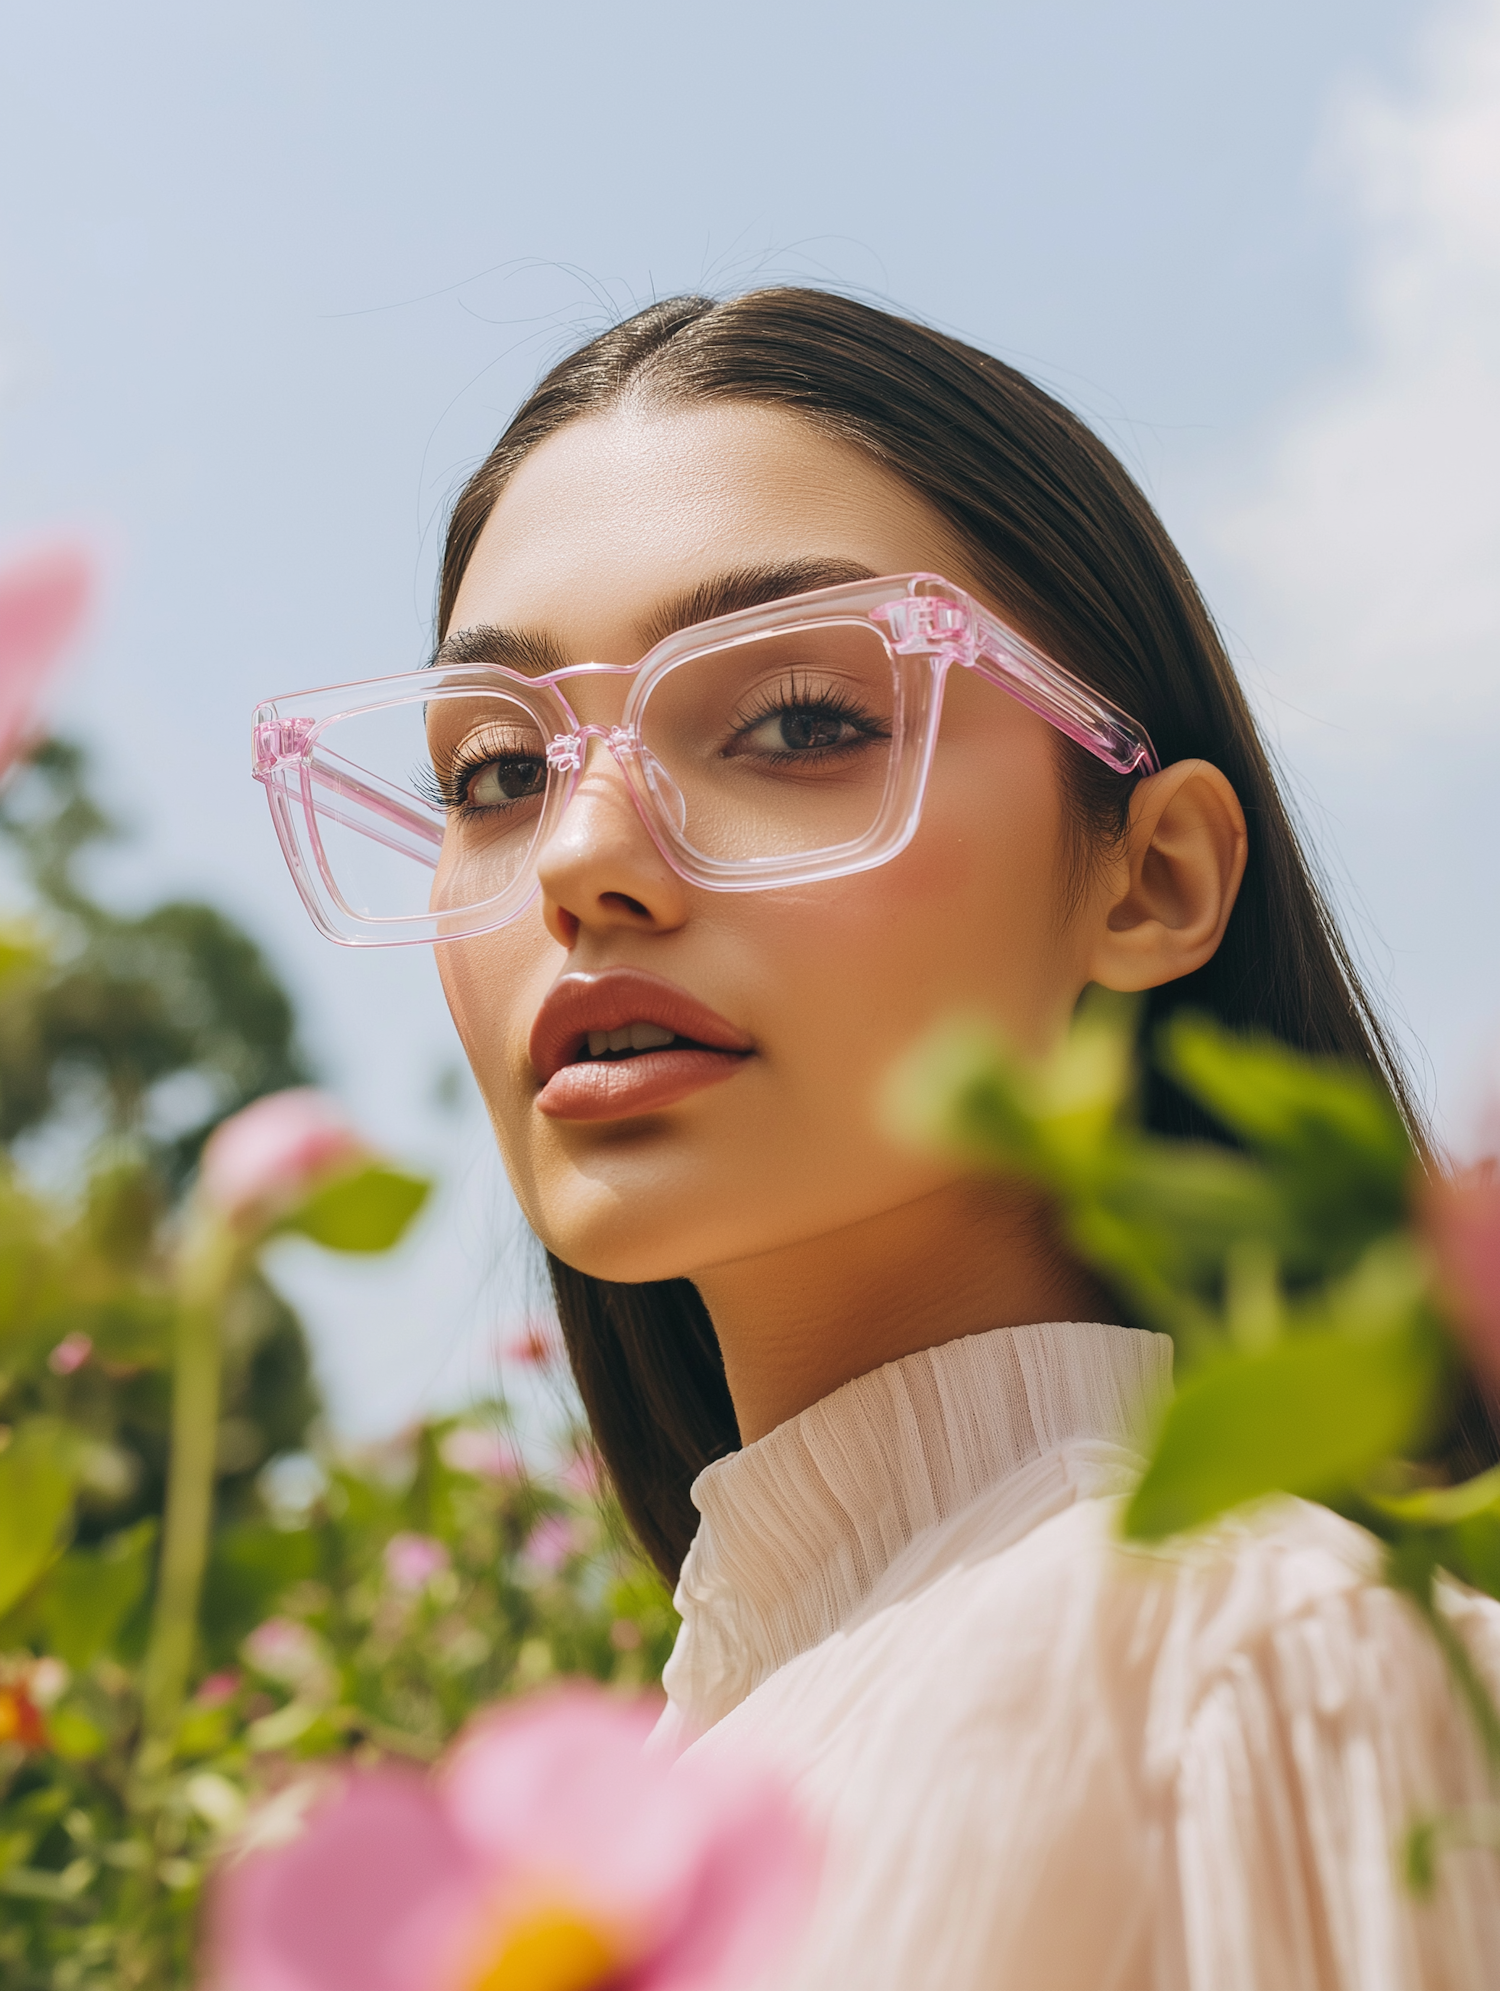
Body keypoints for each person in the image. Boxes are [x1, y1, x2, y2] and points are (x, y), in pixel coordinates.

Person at [252, 289, 1500, 1988]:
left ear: (1152, 877)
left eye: (799, 722)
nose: (581, 854)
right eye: (495, 771)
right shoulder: (651, 1817)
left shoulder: (1258, 1668)